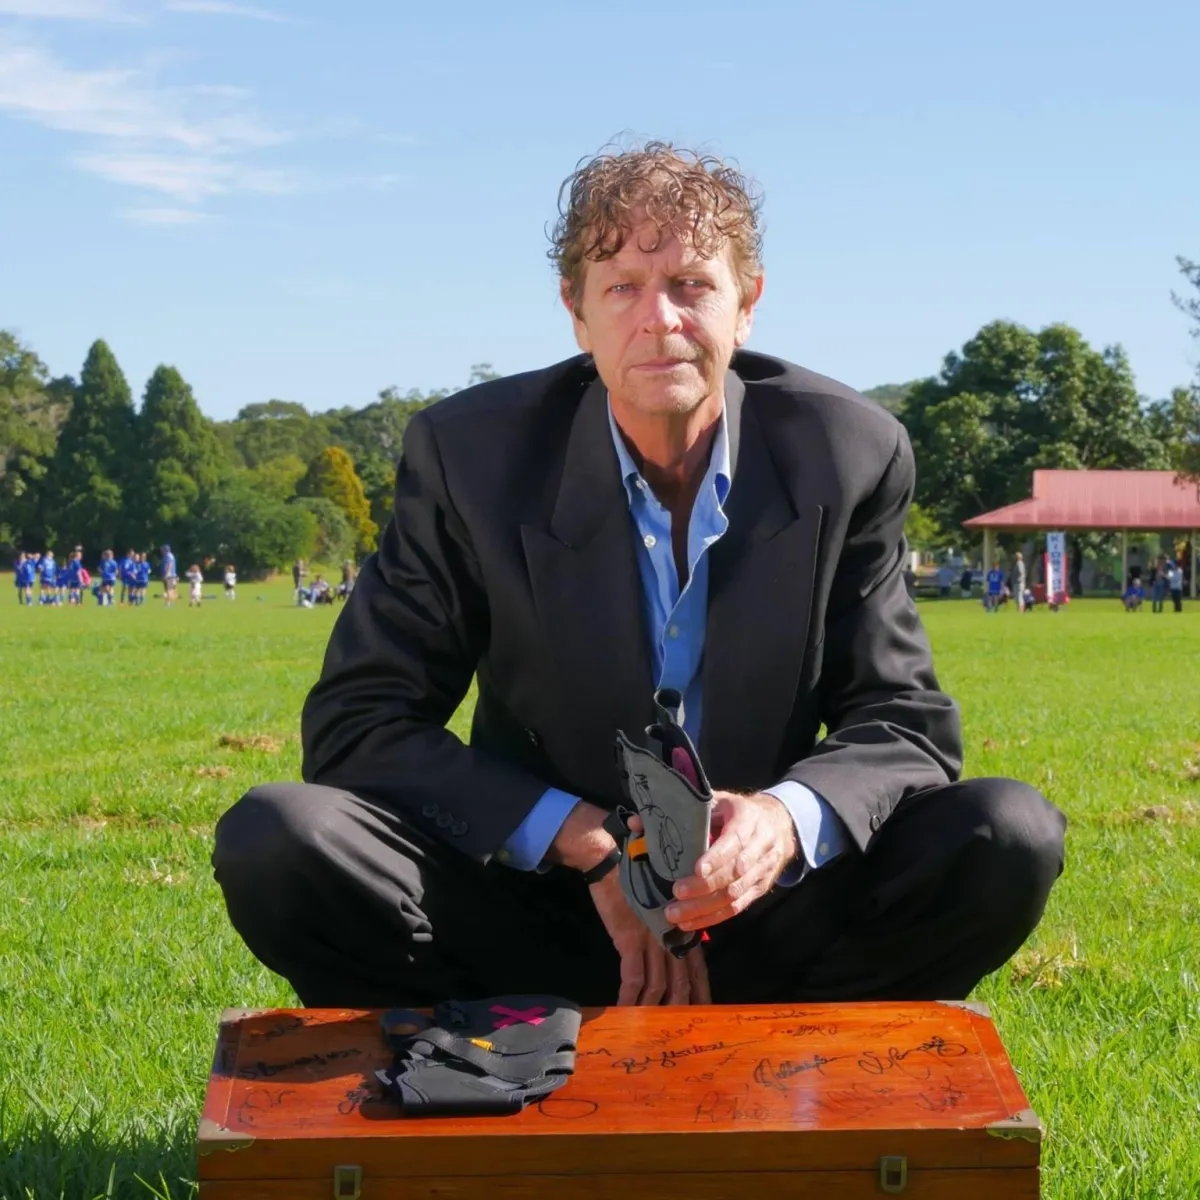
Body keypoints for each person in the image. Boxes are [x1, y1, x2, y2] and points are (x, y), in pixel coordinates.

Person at [213, 140, 1067, 1011]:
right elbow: (360, 724)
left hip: (769, 914)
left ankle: (803, 1061)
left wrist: (780, 822)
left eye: (692, 283)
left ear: (748, 304)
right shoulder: (470, 457)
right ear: (576, 315)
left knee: (1005, 833)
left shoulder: (848, 453)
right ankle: (461, 1074)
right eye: (621, 286)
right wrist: (587, 843)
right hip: (536, 908)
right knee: (277, 837)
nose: (658, 317)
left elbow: (903, 723)